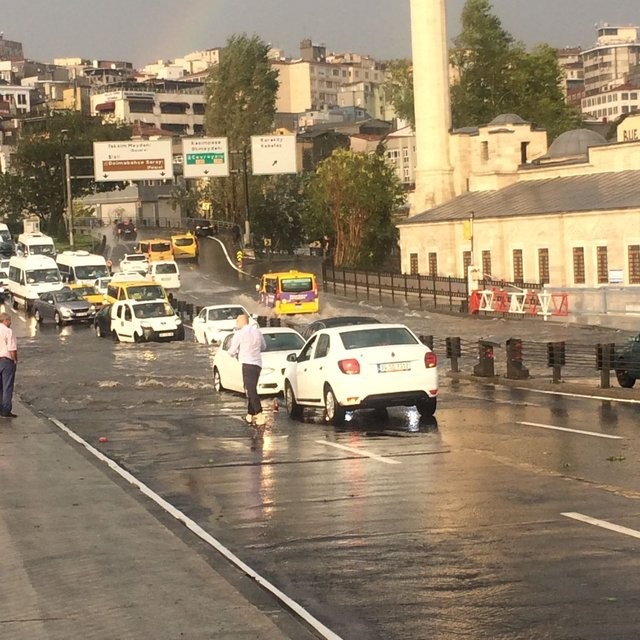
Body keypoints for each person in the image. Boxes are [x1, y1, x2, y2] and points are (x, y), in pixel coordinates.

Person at [227, 314, 266, 426]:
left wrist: (233, 353)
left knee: (250, 390)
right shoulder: (257, 332)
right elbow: (264, 346)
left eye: (237, 321)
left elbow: (232, 350)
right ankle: (250, 415)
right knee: (252, 388)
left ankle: (259, 414)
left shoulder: (239, 334)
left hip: (247, 364)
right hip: (257, 364)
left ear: (242, 321)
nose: (236, 323)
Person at [0, 312, 17, 418]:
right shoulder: (8, 331)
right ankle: (5, 410)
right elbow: (12, 349)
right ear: (5, 320)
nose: (10, 322)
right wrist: (15, 360)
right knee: (7, 386)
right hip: (6, 361)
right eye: (9, 320)